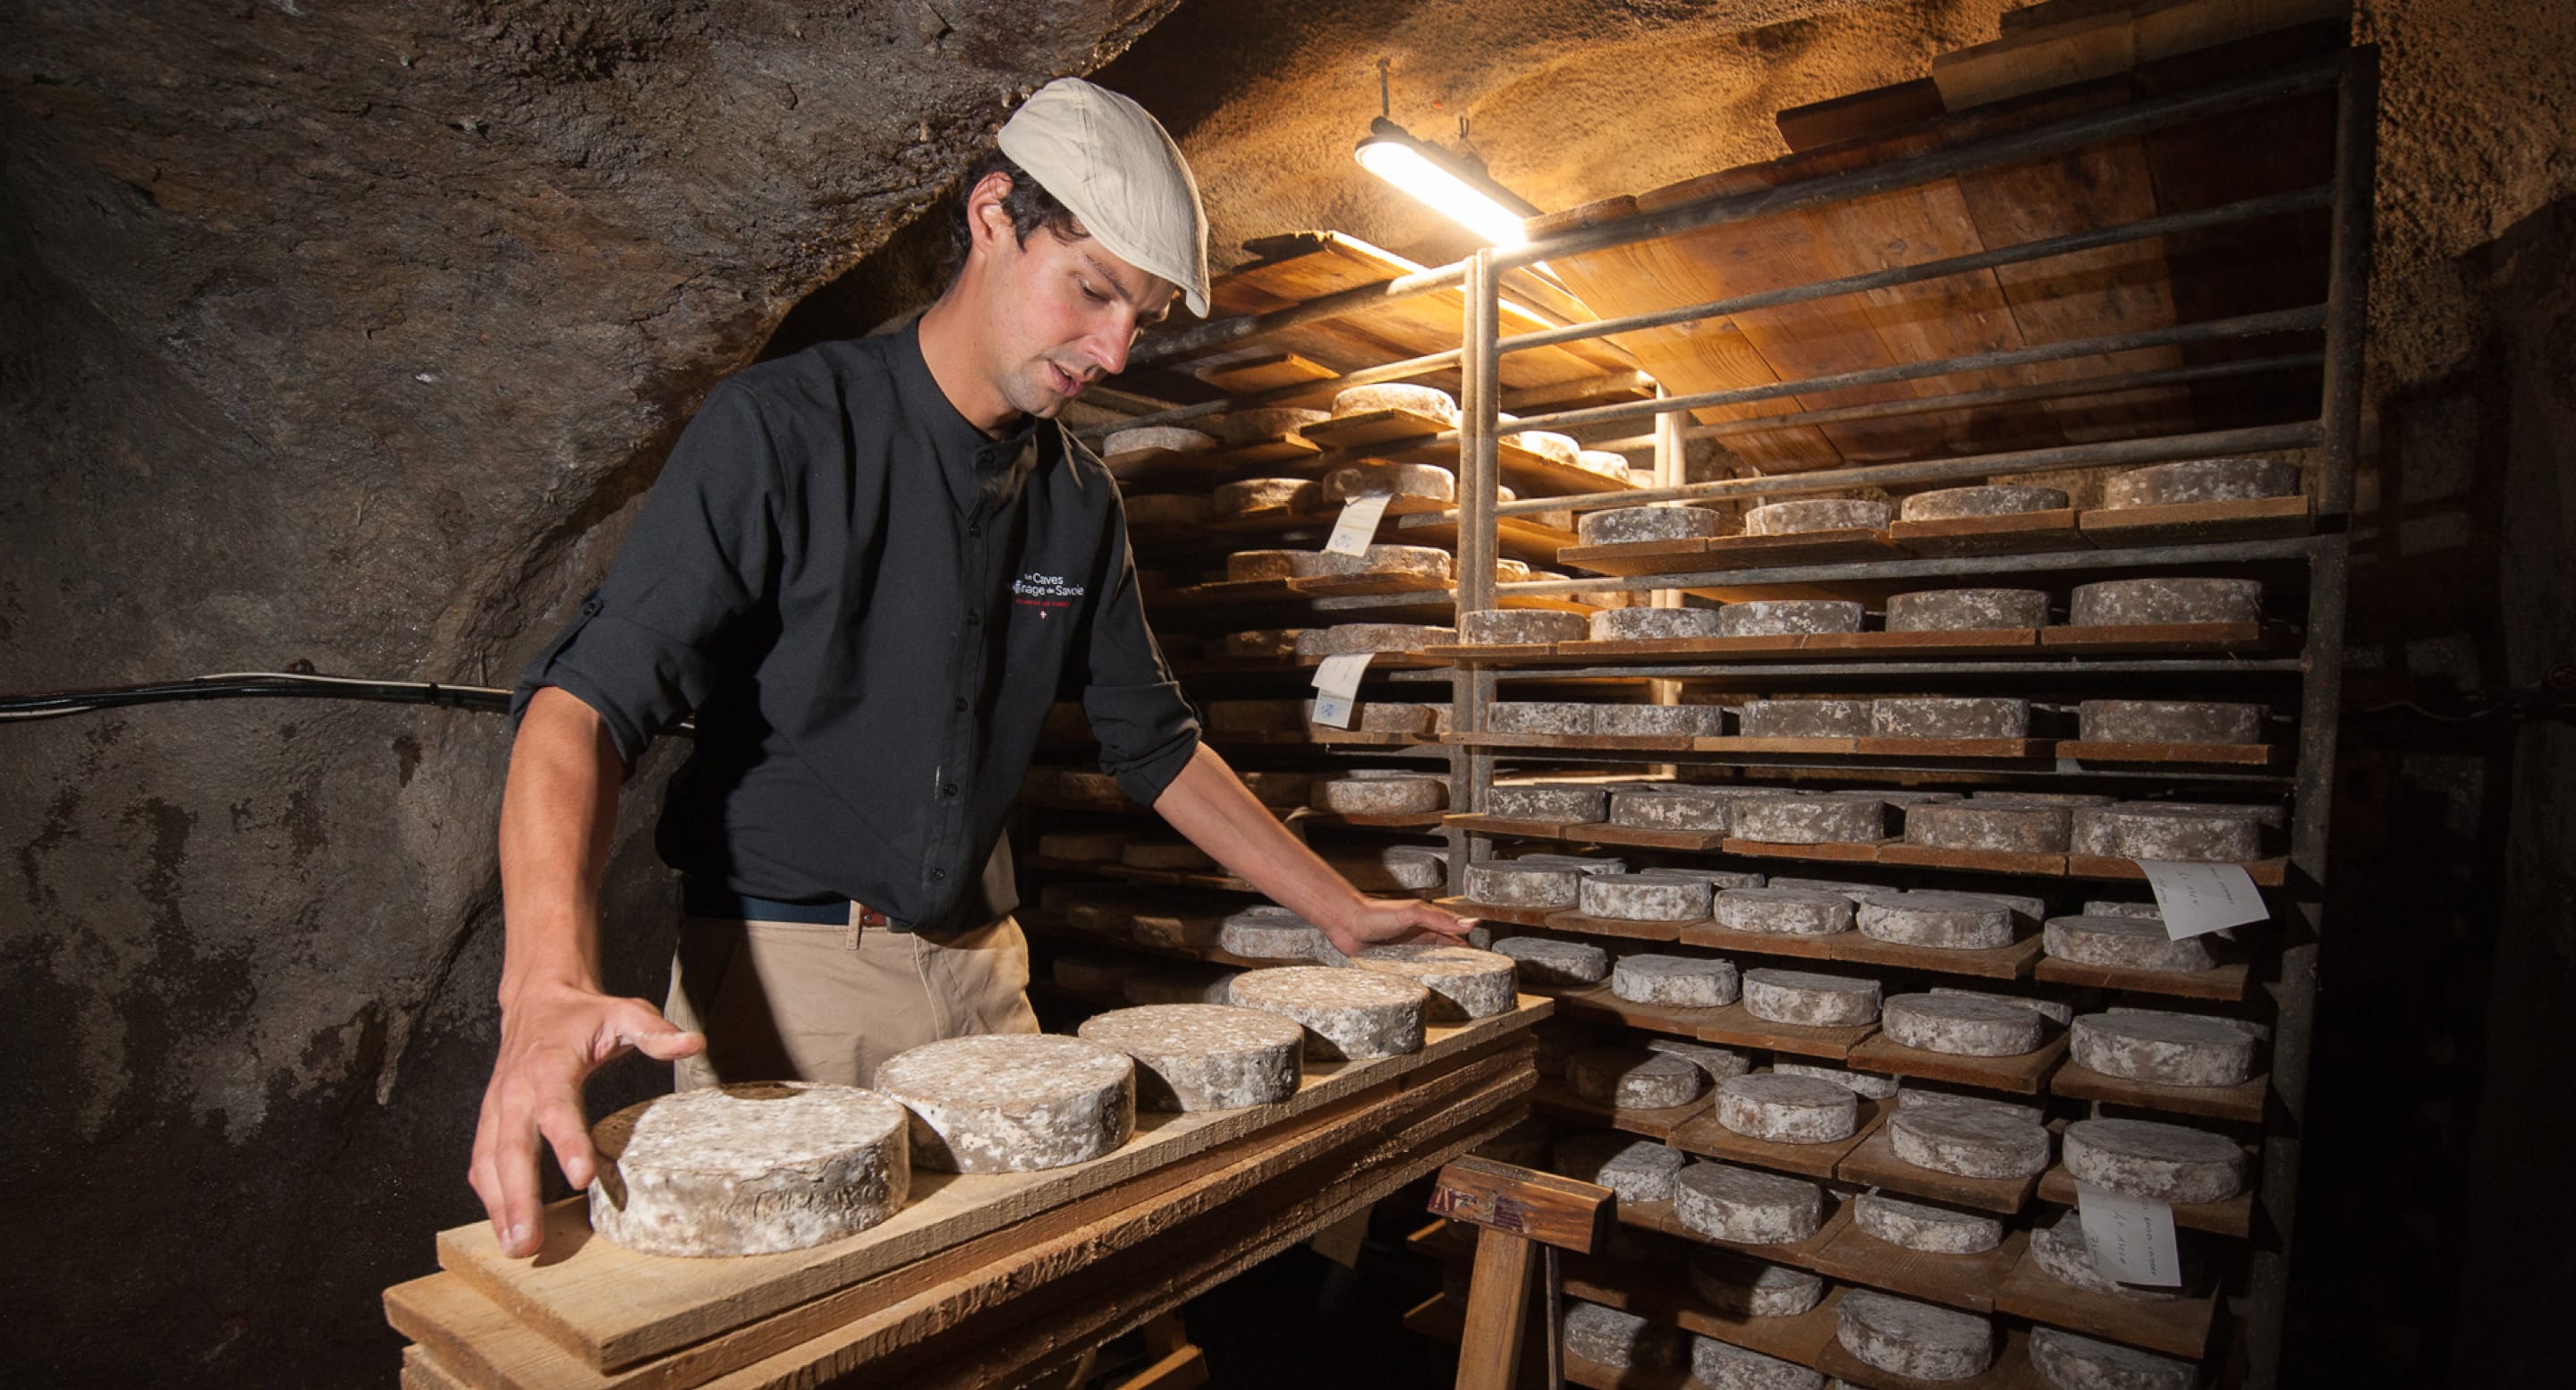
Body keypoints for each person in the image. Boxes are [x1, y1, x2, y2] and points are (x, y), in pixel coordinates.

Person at [467, 78, 1470, 1258]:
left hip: (986, 977)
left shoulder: (1076, 502)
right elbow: (582, 705)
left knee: (1032, 1311)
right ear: (994, 215)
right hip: (793, 975)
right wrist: (539, 989)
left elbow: (1154, 743)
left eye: (1139, 318)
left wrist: (1340, 912)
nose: (1110, 348)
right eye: (1091, 289)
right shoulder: (786, 430)